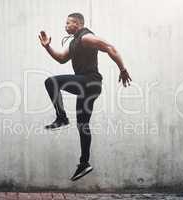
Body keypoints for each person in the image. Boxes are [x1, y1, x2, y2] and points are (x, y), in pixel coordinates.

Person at [38, 13, 131, 181]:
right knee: (83, 125)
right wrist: (47, 47)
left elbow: (110, 48)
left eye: (68, 23)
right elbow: (61, 59)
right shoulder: (74, 42)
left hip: (90, 82)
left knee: (51, 82)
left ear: (77, 24)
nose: (65, 26)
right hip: (87, 87)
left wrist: (122, 69)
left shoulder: (86, 37)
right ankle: (84, 163)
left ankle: (61, 118)